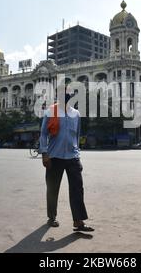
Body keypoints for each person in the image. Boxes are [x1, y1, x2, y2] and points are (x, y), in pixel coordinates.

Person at [39, 92, 94, 232]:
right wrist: (44, 153)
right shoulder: (51, 112)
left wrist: (78, 155)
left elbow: (76, 135)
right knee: (52, 188)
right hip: (54, 156)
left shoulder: (76, 114)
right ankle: (52, 217)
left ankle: (78, 221)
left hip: (72, 157)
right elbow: (44, 134)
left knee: (77, 189)